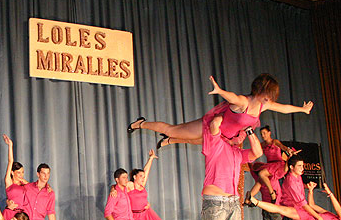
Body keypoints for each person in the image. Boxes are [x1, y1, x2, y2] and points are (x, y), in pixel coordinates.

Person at [128, 74, 313, 148]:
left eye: (272, 96)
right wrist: (220, 91)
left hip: (224, 136)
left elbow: (285, 108)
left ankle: (171, 140)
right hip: (211, 127)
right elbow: (232, 97)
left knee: (197, 142)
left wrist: (302, 110)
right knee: (171, 128)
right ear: (260, 90)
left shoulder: (265, 104)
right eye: (268, 94)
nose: (270, 99)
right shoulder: (243, 102)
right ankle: (141, 123)